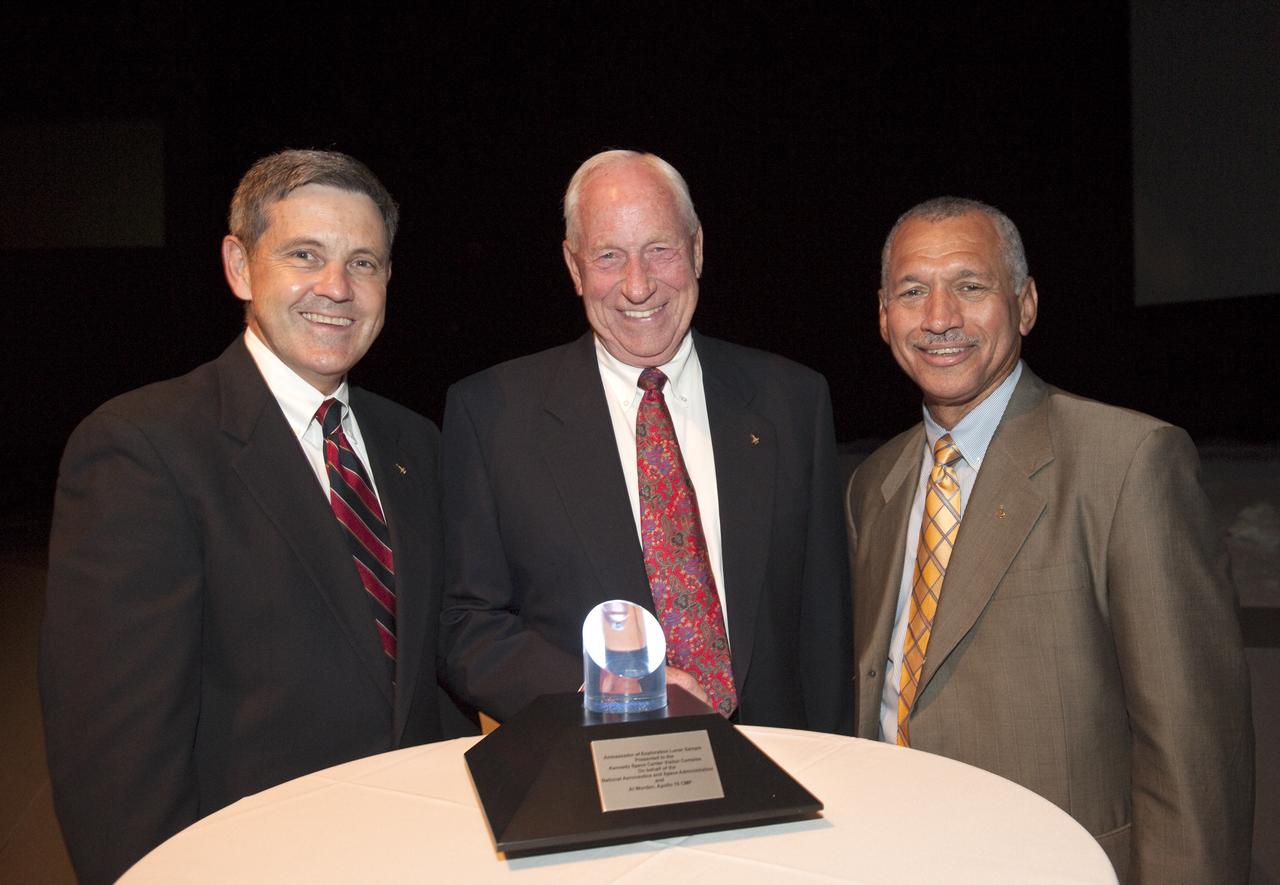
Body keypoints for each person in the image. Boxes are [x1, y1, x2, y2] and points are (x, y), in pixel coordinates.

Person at [40, 149, 467, 884]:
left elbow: (428, 682)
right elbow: (116, 762)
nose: (336, 287)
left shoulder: (415, 444)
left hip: (419, 850)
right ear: (240, 266)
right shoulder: (142, 449)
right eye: (306, 254)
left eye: (364, 263)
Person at [846, 196, 1253, 883]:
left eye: (970, 286)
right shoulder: (872, 486)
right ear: (884, 315)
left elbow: (1194, 754)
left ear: (1026, 304)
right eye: (913, 291)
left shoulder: (1127, 462)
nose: (940, 316)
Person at [440, 149, 851, 731]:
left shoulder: (793, 402)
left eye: (660, 250)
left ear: (698, 249)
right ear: (574, 267)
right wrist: (606, 693)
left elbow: (824, 627)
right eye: (609, 256)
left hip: (778, 770)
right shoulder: (492, 415)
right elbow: (467, 624)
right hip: (592, 777)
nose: (638, 286)